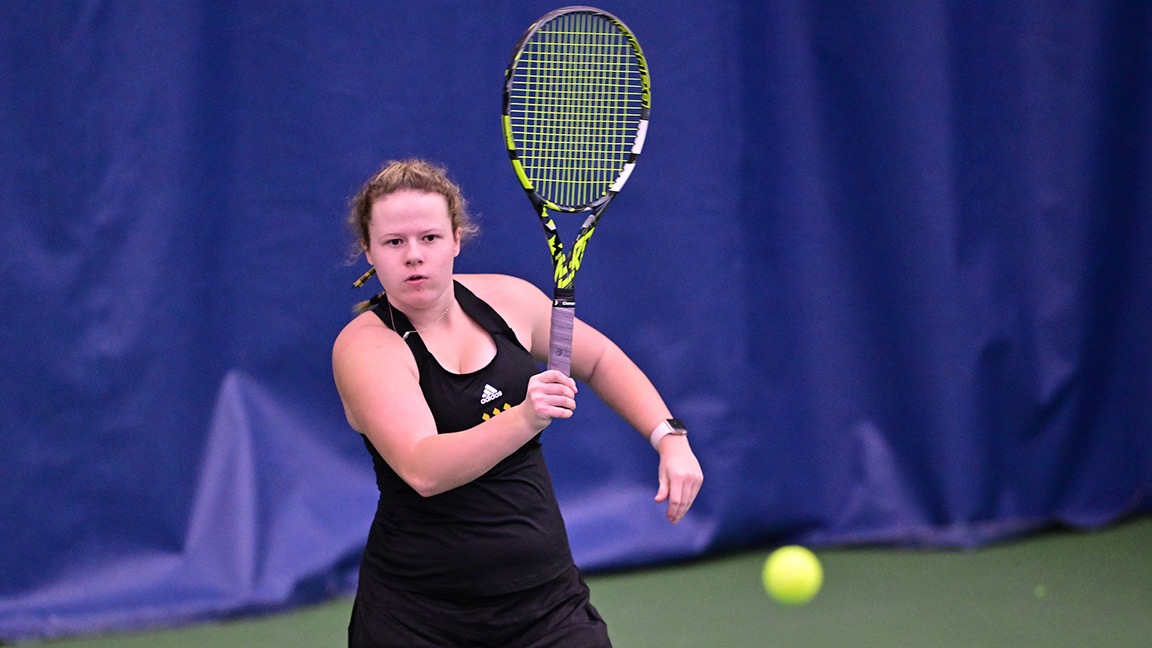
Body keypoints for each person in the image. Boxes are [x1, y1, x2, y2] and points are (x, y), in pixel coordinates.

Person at [332, 158, 703, 647]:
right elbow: (424, 469)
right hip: (420, 618)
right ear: (369, 252)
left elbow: (600, 360)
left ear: (457, 239)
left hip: (547, 605)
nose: (414, 256)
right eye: (394, 242)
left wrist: (668, 436)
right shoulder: (365, 348)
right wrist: (525, 416)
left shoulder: (511, 301)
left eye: (429, 238)